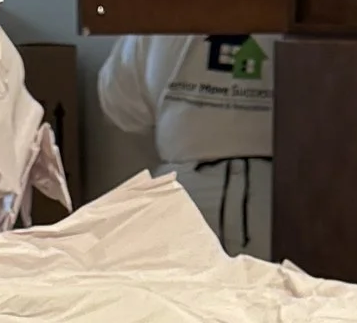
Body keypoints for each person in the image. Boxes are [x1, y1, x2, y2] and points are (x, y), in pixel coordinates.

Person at [95, 29, 275, 253]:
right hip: (276, 198)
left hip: (182, 193)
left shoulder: (156, 16)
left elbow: (121, 104)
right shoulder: (305, 9)